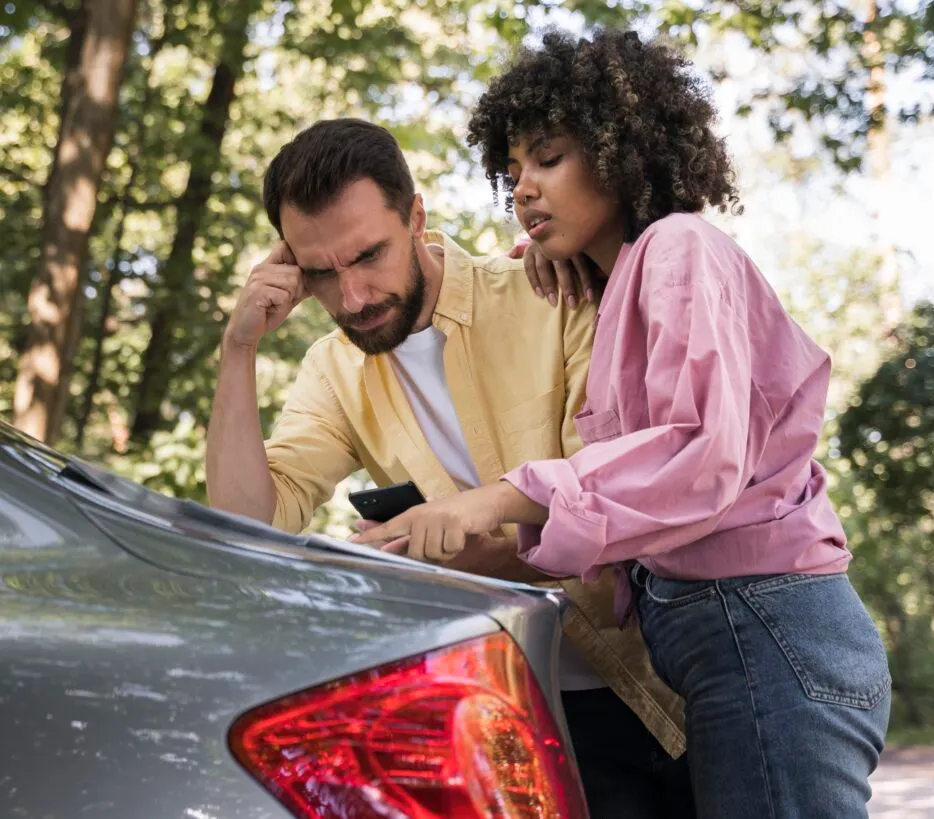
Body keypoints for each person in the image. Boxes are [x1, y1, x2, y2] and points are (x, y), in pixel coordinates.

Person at [352, 30, 893, 818]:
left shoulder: (680, 247)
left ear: (622, 145)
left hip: (769, 633)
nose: (524, 188)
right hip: (739, 645)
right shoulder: (629, 278)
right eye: (512, 174)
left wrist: (495, 497)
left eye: (549, 156)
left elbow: (696, 451)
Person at [206, 118, 696, 818]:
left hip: (662, 681)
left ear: (415, 216)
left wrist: (439, 559)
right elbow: (246, 527)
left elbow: (616, 501)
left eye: (369, 254)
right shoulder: (332, 370)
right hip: (505, 724)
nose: (352, 297)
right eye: (319, 271)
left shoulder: (549, 290)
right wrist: (238, 348)